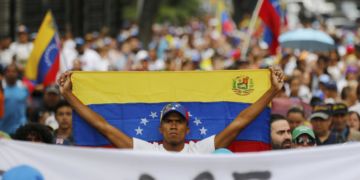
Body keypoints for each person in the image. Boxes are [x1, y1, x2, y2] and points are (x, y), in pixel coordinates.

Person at [58, 67, 284, 153]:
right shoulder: (148, 150)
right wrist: (68, 95)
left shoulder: (199, 150)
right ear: (160, 127)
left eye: (178, 121)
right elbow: (103, 127)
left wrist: (272, 92)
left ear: (187, 129)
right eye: (169, 121)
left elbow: (239, 123)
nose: (173, 125)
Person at [0, 64, 28, 134]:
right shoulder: (1, 89)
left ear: (17, 74)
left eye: (13, 71)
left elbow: (26, 107)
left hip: (19, 128)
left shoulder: (24, 89)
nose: (11, 73)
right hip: (2, 128)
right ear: (5, 73)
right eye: (8, 71)